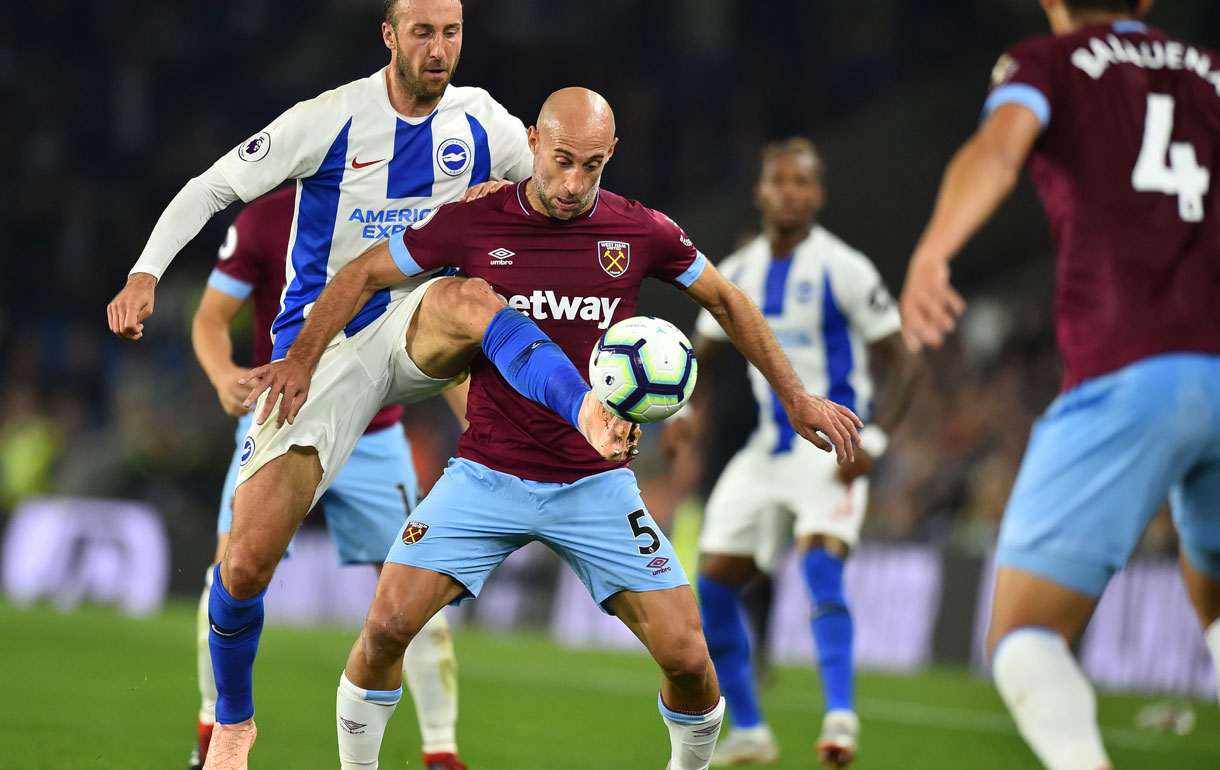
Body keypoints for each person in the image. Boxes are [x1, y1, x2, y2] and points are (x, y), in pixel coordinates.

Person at [248, 87, 865, 770]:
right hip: (486, 473)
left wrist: (797, 397)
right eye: (562, 160)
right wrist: (300, 359)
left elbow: (725, 297)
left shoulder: (640, 232)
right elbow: (364, 272)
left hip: (595, 485)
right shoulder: (473, 222)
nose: (573, 183)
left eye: (592, 166)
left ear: (611, 157)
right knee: (387, 625)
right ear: (535, 143)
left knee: (690, 658)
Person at [104, 2, 639, 767]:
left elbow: (559, 195)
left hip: (421, 321)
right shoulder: (330, 120)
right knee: (244, 565)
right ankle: (232, 722)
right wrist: (146, 271)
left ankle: (583, 410)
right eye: (422, 32)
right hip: (325, 349)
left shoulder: (483, 122)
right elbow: (212, 184)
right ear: (389, 36)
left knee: (475, 300)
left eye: (451, 32)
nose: (439, 48)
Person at [898, 2, 1220, 769]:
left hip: (1130, 369)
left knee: (1024, 638)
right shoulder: (1211, 73)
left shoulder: (1044, 64)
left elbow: (997, 150)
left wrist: (933, 251)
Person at [189, 186, 468, 770]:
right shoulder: (266, 218)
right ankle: (212, 737)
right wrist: (222, 376)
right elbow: (211, 318)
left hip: (377, 436)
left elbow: (437, 333)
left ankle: (441, 751)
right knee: (231, 573)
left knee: (419, 598)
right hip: (281, 419)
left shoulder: (405, 214)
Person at [683, 138, 920, 768]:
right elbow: (700, 356)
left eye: (802, 182)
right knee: (712, 586)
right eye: (778, 181)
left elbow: (904, 362)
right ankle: (752, 730)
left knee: (820, 568)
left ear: (817, 194)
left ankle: (840, 717)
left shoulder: (844, 267)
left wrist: (879, 438)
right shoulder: (739, 269)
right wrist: (681, 412)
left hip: (832, 450)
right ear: (761, 192)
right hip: (765, 452)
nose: (789, 192)